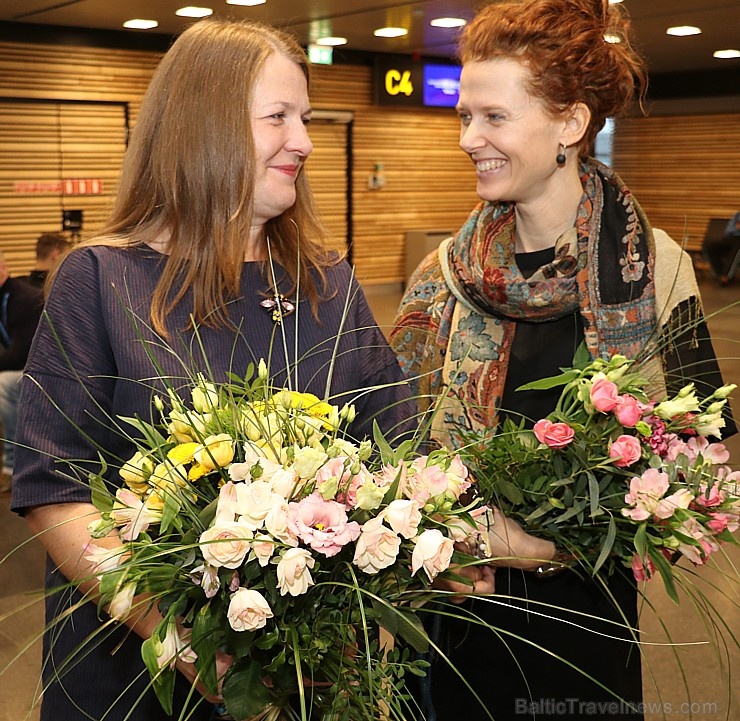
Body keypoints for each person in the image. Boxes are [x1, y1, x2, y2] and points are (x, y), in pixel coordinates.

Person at [10, 19, 414, 721]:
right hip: (136, 679)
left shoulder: (327, 284)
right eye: (278, 118)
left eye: (307, 118)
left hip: (308, 678)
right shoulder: (100, 281)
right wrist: (182, 640)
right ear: (206, 128)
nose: (306, 141)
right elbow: (57, 488)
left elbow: (402, 450)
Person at [390, 1, 736, 719]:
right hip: (451, 628)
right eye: (464, 117)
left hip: (584, 636)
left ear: (570, 125)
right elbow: (389, 445)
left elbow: (695, 478)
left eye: (494, 117)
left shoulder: (653, 272)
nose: (469, 139)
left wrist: (538, 547)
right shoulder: (441, 278)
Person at [0, 252, 44, 492]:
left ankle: (12, 465)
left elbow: (20, 355)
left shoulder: (23, 299)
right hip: (20, 366)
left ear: (4, 269)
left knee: (3, 384)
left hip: (40, 371)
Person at [703, 211, 740, 284]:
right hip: (730, 238)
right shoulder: (737, 215)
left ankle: (727, 276)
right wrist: (736, 228)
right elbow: (729, 230)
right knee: (711, 247)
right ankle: (719, 274)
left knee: (737, 250)